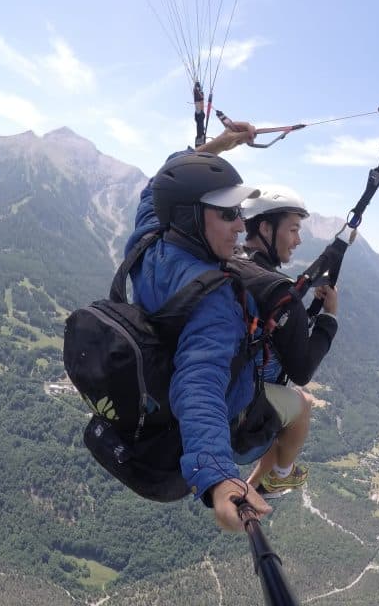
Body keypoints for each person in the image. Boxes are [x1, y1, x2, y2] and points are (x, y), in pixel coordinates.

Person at [123, 127, 311, 531]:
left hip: (161, 370)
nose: (241, 226)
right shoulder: (214, 301)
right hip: (231, 412)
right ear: (190, 215)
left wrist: (218, 146)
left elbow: (157, 188)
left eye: (239, 213)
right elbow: (201, 384)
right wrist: (218, 475)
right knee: (302, 406)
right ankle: (279, 475)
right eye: (228, 214)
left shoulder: (149, 241)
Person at [237, 188, 340, 495]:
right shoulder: (281, 294)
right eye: (293, 230)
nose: (298, 240)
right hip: (240, 399)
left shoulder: (231, 260)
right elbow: (302, 370)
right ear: (266, 228)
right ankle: (282, 475)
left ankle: (253, 488)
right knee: (302, 404)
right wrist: (328, 317)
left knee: (278, 422)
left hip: (221, 379)